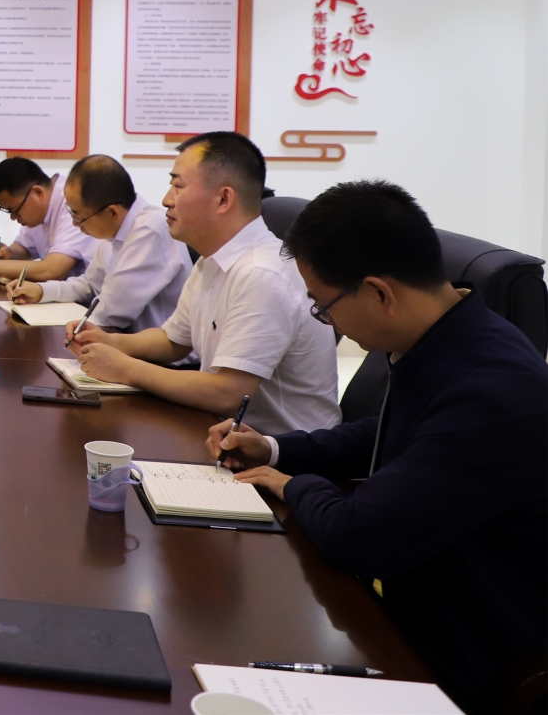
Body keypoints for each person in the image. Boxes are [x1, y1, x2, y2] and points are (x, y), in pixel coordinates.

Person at [207, 180, 546, 715]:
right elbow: (383, 434)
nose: (329, 324)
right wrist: (272, 449)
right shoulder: (450, 338)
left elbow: (358, 535)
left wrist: (292, 486)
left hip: (466, 653)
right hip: (410, 602)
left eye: (322, 307)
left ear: (380, 293)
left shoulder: (491, 389)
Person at [69, 132, 339, 434]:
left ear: (223, 199)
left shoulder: (261, 274)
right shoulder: (212, 260)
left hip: (284, 450)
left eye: (178, 186)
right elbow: (173, 341)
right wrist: (110, 342)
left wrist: (124, 368)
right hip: (223, 433)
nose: (166, 200)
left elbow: (227, 393)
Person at [6, 154, 191, 333]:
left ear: (112, 212)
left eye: (79, 217)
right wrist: (41, 291)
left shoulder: (149, 230)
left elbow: (111, 311)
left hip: (157, 352)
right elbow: (90, 285)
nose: (74, 224)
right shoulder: (114, 230)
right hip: (122, 341)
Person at [0, 157, 98, 284]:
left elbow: (53, 270)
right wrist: (8, 253)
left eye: (15, 211)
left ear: (37, 193)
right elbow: (24, 247)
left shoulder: (71, 203)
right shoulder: (39, 208)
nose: (13, 218)